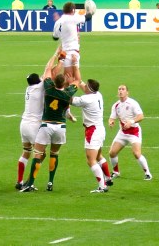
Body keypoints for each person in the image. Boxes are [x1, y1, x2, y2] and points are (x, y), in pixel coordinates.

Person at [20, 64, 78, 192]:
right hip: (61, 127)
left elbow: (47, 71)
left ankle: (30, 183)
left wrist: (58, 58)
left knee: (38, 154)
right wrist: (74, 65)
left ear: (53, 82)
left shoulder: (48, 89)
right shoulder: (67, 94)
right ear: (64, 83)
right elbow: (78, 81)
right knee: (54, 154)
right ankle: (50, 182)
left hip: (46, 126)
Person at [16, 49, 63, 190]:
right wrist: (57, 55)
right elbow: (50, 70)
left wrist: (59, 61)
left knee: (26, 151)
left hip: (23, 124)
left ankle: (19, 181)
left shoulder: (30, 88)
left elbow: (50, 72)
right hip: (33, 125)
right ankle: (29, 182)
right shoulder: (40, 87)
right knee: (40, 154)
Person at [71, 78, 113, 193]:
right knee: (99, 156)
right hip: (100, 129)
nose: (84, 86)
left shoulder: (86, 99)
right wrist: (77, 79)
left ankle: (102, 186)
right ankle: (108, 178)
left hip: (93, 131)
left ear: (89, 89)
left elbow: (69, 99)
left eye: (86, 86)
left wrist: (68, 87)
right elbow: (83, 85)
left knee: (91, 160)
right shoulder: (98, 94)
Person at [108, 85, 152, 180]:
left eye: (123, 89)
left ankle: (147, 173)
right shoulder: (116, 105)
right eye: (119, 89)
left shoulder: (132, 103)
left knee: (136, 153)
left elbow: (141, 116)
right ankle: (116, 172)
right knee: (112, 153)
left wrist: (131, 122)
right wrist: (111, 122)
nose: (120, 91)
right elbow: (112, 117)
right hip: (123, 133)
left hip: (134, 132)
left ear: (127, 92)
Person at [52, 1, 92, 86]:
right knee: (71, 81)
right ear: (73, 10)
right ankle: (61, 94)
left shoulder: (58, 22)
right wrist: (90, 11)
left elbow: (55, 37)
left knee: (71, 79)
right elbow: (88, 17)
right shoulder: (72, 18)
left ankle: (62, 93)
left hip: (65, 51)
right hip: (71, 53)